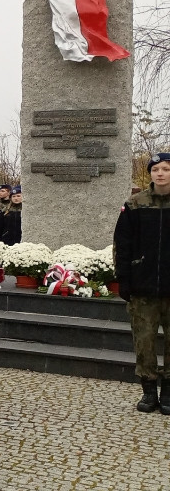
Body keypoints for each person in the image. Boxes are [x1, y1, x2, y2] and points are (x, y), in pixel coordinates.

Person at [114, 153, 170, 415]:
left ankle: (168, 392)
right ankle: (149, 391)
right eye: (156, 169)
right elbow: (122, 245)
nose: (160, 173)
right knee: (144, 343)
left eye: (166, 169)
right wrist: (124, 280)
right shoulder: (135, 204)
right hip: (143, 289)